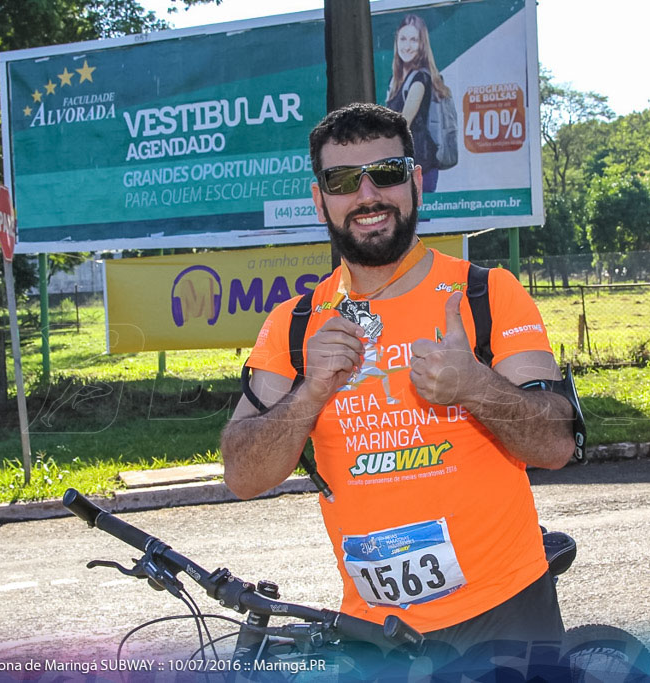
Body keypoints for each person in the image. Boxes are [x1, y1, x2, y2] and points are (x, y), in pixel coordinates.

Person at [220, 103, 577, 657]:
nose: (367, 196)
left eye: (385, 173)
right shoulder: (294, 324)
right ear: (320, 199)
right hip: (372, 635)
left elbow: (556, 443)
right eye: (342, 180)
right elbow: (243, 475)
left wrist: (475, 387)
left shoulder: (484, 293)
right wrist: (310, 390)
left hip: (505, 613)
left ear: (414, 183)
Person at [385, 13, 450, 193]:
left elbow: (402, 124)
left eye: (413, 40)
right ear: (396, 41)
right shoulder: (395, 80)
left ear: (422, 44)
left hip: (421, 166)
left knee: (419, 220)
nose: (407, 46)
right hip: (404, 166)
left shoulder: (420, 79)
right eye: (403, 39)